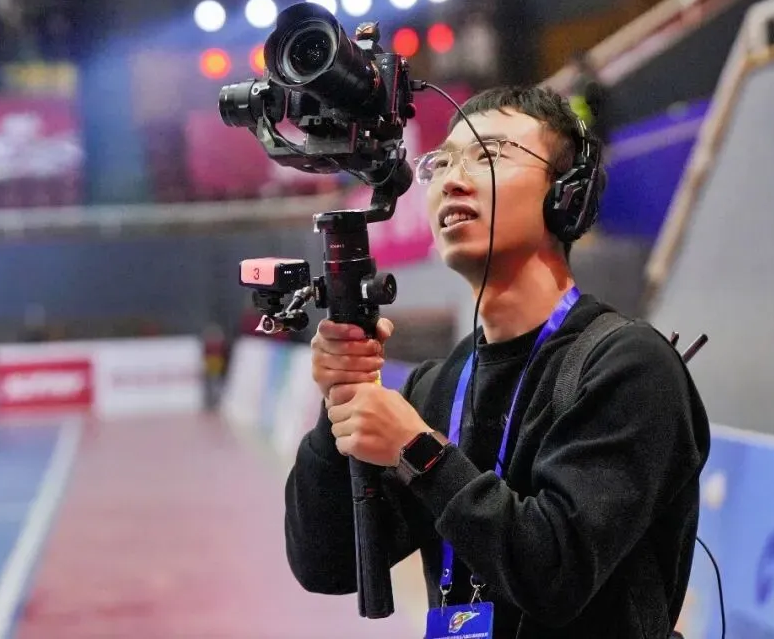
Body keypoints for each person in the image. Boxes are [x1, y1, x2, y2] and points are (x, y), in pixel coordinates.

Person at [284, 85, 711, 638]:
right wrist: (340, 400)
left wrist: (418, 451)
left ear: (566, 196)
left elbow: (554, 573)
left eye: (489, 156)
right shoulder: (436, 387)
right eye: (442, 163)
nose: (453, 179)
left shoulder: (629, 368)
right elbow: (326, 563)